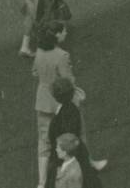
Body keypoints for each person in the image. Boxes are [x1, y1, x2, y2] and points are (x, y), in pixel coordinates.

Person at [32, 22, 79, 188]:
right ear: (56, 36)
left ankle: (41, 182)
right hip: (60, 102)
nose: (65, 33)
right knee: (71, 134)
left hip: (43, 101)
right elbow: (68, 80)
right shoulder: (61, 55)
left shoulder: (38, 52)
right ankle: (85, 165)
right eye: (62, 32)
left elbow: (35, 72)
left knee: (44, 142)